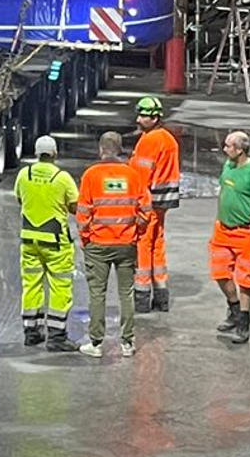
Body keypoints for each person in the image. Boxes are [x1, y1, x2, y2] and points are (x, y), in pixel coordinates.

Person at [74, 129, 150, 357]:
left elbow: (83, 211)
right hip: (127, 242)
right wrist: (137, 231)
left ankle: (96, 344)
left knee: (97, 294)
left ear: (100, 150)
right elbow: (146, 209)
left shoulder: (91, 175)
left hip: (98, 244)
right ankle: (127, 343)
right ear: (120, 150)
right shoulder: (133, 175)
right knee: (126, 293)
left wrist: (86, 238)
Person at [15, 133, 80, 352]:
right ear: (54, 153)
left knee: (31, 284)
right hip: (55, 243)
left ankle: (31, 332)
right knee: (60, 285)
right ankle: (57, 337)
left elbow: (19, 199)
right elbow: (74, 206)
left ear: (36, 153)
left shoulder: (24, 174)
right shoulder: (62, 178)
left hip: (29, 240)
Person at [210, 130, 250, 343]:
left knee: (246, 278)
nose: (225, 149)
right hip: (223, 230)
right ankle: (234, 310)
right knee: (220, 273)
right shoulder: (228, 165)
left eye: (228, 146)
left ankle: (244, 322)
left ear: (240, 149)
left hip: (245, 233)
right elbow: (223, 194)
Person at [129, 96, 182, 312]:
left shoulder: (150, 141)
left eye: (143, 116)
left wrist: (134, 203)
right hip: (162, 203)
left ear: (155, 117)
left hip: (148, 202)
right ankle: (161, 294)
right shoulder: (169, 139)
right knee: (157, 245)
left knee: (143, 245)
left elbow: (140, 176)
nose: (138, 120)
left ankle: (142, 296)